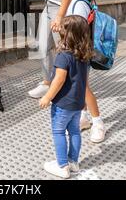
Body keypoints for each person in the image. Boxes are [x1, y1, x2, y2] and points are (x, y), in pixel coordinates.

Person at [39, 15, 93, 179]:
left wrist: (47, 97)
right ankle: (73, 163)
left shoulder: (63, 55)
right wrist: (83, 102)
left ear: (67, 34)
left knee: (59, 132)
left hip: (63, 104)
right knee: (75, 131)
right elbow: (84, 80)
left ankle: (62, 166)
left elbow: (59, 79)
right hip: (77, 103)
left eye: (62, 28)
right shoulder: (84, 55)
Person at [59, 0, 106, 143]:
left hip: (78, 52)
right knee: (81, 86)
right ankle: (83, 117)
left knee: (83, 88)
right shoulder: (81, 1)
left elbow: (77, 31)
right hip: (81, 51)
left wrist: (62, 28)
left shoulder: (78, 5)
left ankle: (98, 122)